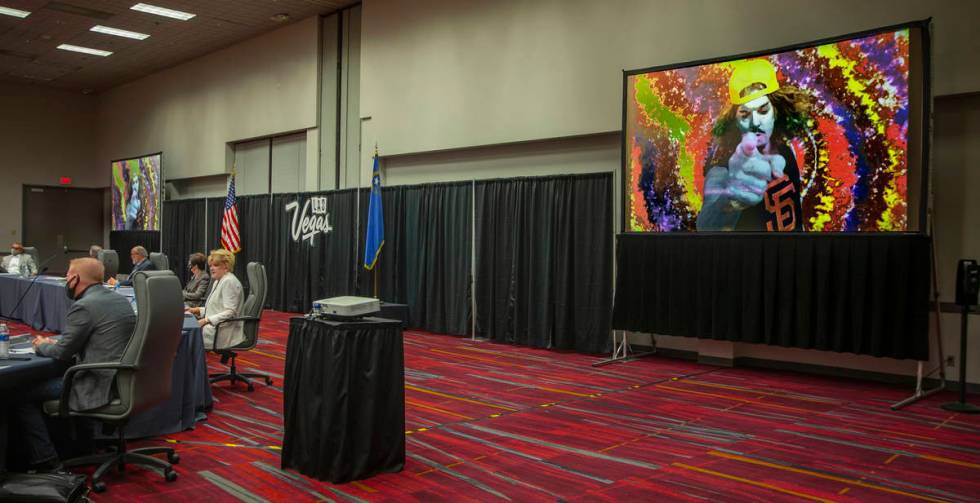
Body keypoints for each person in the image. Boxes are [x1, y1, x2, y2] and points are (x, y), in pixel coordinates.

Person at [9, 258, 136, 473]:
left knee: (18, 394)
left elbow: (60, 353)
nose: (66, 279)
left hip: (96, 384)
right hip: (121, 382)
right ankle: (83, 447)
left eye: (68, 275)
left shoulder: (84, 306)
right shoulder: (118, 300)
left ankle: (46, 460)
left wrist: (41, 345)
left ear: (75, 279)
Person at [696, 58, 814, 231]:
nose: (755, 123)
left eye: (763, 110)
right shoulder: (722, 168)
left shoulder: (786, 150)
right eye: (745, 113)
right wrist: (733, 199)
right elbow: (705, 226)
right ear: (734, 120)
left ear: (776, 111)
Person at [187, 249, 243, 350]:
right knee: (182, 328)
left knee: (181, 334)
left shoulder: (229, 282)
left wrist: (206, 320)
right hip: (215, 327)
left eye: (215, 265)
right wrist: (195, 310)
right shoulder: (219, 280)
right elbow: (216, 309)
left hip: (222, 332)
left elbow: (230, 312)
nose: (211, 268)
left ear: (226, 266)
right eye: (210, 266)